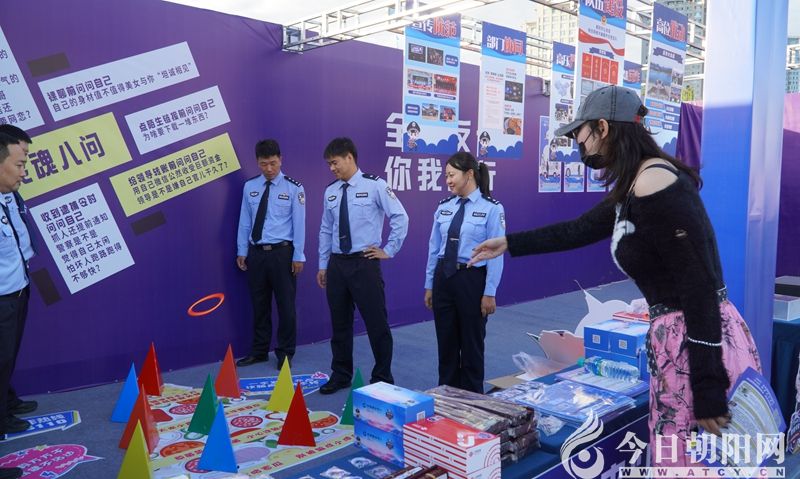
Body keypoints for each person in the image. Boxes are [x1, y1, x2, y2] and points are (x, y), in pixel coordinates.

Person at [470, 85, 761, 469]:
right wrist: (509, 242)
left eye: (579, 133)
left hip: (695, 346)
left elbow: (699, 287)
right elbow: (578, 229)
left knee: (698, 465)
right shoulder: (636, 184)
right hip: (679, 343)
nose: (578, 143)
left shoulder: (655, 183)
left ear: (603, 128)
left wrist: (708, 388)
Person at [317, 137, 408, 394]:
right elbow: (326, 229)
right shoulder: (331, 191)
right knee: (340, 323)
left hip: (364, 263)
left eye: (335, 162)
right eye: (329, 164)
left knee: (376, 323)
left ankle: (382, 377)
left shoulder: (375, 185)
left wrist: (389, 249)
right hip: (337, 264)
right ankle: (341, 374)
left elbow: (400, 216)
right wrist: (323, 264)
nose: (332, 168)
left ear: (349, 157)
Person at [424, 152, 504, 393]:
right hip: (444, 279)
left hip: (471, 279)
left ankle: (472, 402)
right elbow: (434, 248)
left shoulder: (491, 208)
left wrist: (489, 292)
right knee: (446, 344)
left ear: (469, 174)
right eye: (446, 176)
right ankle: (447, 398)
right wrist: (429, 284)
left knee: (472, 345)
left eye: (451, 175)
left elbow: (496, 254)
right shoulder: (444, 207)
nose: (447, 181)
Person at [235, 139, 305, 370]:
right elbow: (245, 221)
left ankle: (285, 353)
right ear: (257, 162)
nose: (269, 169)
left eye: (273, 163)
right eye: (264, 164)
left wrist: (298, 255)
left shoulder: (294, 188)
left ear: (280, 159)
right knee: (259, 304)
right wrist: (242, 250)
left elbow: (299, 224)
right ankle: (259, 351)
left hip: (282, 253)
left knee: (286, 305)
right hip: (256, 253)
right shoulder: (250, 186)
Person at [0, 126, 36, 479]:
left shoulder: (9, 196)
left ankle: (5, 406)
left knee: (7, 356)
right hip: (2, 298)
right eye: (20, 163)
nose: (24, 171)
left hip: (16, 287)